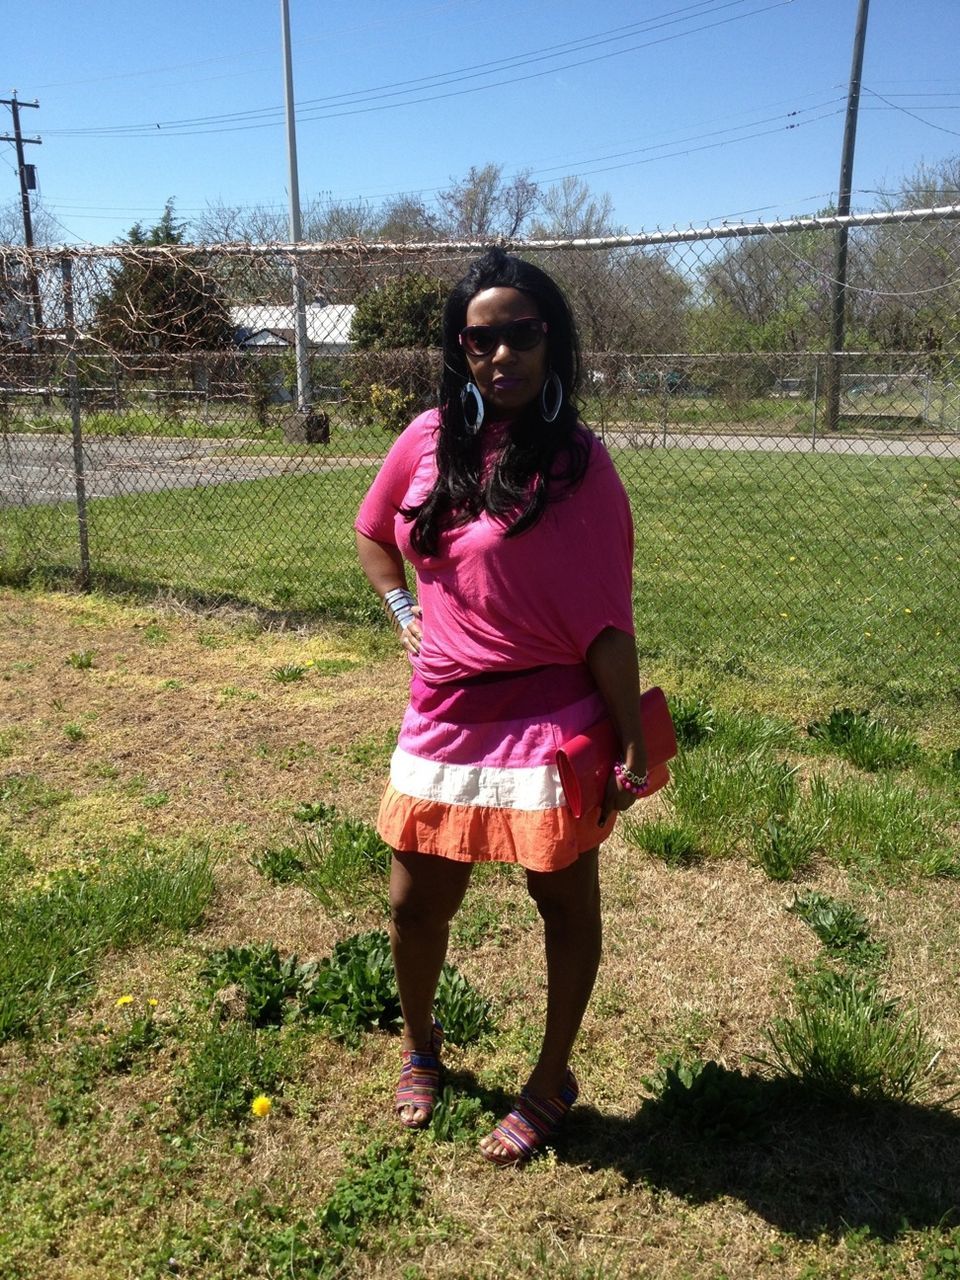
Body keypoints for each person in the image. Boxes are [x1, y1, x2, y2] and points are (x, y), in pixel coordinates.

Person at [354, 247, 648, 1166]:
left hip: (552, 720)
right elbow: (372, 534)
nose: (501, 355)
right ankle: (421, 1047)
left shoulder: (580, 465)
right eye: (480, 339)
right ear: (460, 349)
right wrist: (403, 609)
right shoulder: (425, 438)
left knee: (561, 904)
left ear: (549, 341)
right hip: (444, 715)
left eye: (520, 334)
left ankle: (551, 1078)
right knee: (415, 902)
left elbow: (605, 622)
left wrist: (632, 739)